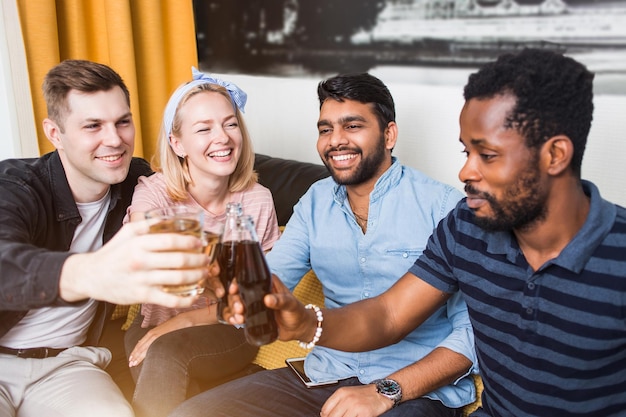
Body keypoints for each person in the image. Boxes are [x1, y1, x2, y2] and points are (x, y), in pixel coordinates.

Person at [218, 49, 626, 417]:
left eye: (487, 155)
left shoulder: (615, 253)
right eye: (467, 152)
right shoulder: (466, 227)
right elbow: (388, 314)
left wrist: (389, 389)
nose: (466, 171)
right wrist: (308, 324)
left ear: (555, 154)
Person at [170, 72, 478, 417]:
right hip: (324, 376)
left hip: (412, 392)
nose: (336, 140)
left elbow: (472, 334)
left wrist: (386, 391)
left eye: (352, 126)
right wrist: (226, 285)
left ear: (389, 134)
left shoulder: (445, 208)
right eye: (325, 129)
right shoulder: (314, 202)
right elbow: (270, 281)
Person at [0, 60, 209, 417]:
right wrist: (90, 272)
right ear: (54, 133)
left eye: (122, 122)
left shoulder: (138, 183)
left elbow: (209, 182)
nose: (114, 140)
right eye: (93, 126)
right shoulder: (16, 186)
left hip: (69, 365)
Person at [123, 68, 281, 417]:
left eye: (230, 123)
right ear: (177, 143)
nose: (222, 138)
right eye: (204, 128)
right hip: (150, 327)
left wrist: (182, 321)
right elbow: (142, 258)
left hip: (229, 330)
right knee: (186, 396)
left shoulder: (257, 200)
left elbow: (254, 298)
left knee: (165, 352)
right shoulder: (153, 193)